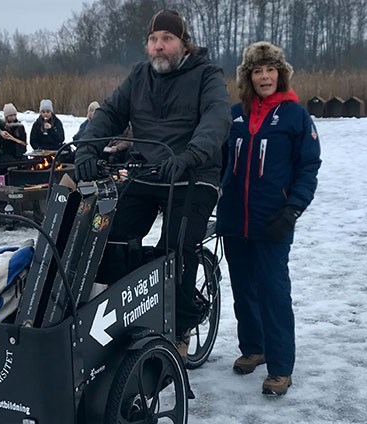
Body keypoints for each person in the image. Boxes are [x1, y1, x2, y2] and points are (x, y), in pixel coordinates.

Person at [73, 9, 231, 358]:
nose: (159, 47)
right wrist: (86, 149)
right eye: (153, 40)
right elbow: (109, 113)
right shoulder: (139, 76)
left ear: (182, 42)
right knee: (110, 234)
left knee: (176, 246)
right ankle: (125, 312)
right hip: (149, 172)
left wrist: (190, 155)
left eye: (167, 39)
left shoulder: (206, 75)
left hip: (193, 173)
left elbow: (217, 119)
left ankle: (182, 325)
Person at [215, 41, 321, 396]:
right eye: (257, 71)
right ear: (248, 77)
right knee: (244, 289)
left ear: (281, 73)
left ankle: (280, 367)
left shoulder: (295, 116)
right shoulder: (234, 115)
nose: (264, 76)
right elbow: (218, 160)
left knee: (273, 292)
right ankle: (254, 347)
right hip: (234, 219)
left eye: (270, 69)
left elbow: (308, 166)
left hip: (273, 219)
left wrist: (292, 209)